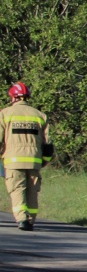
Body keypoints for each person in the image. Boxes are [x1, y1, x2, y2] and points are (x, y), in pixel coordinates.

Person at [2, 82, 51, 230]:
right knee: (32, 190)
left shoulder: (4, 114)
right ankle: (30, 219)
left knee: (17, 189)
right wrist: (44, 161)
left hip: (13, 161)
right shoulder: (40, 115)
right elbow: (48, 145)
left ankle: (22, 219)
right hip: (34, 160)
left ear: (12, 97)